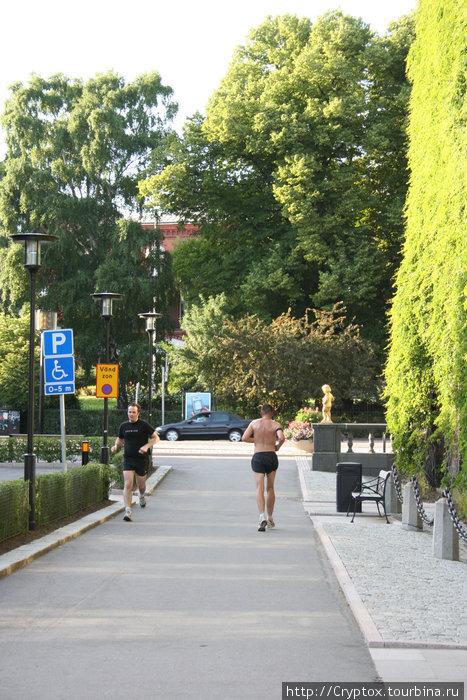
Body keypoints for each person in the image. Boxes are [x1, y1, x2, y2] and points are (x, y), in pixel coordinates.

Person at [111, 402, 160, 522]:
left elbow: (156, 437)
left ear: (138, 413)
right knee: (127, 484)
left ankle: (141, 495)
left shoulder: (143, 425)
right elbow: (120, 438)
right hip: (128, 458)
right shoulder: (123, 426)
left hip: (141, 459)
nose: (131, 414)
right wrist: (116, 446)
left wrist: (146, 446)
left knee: (141, 486)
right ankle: (128, 510)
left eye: (133, 412)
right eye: (129, 412)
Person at [241, 403, 285, 531]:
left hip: (258, 456)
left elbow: (244, 438)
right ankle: (270, 517)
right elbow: (282, 437)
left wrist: (256, 440)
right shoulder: (276, 424)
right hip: (271, 456)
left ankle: (262, 517)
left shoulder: (254, 423)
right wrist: (277, 446)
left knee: (259, 487)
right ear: (272, 413)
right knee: (270, 487)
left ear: (261, 413)